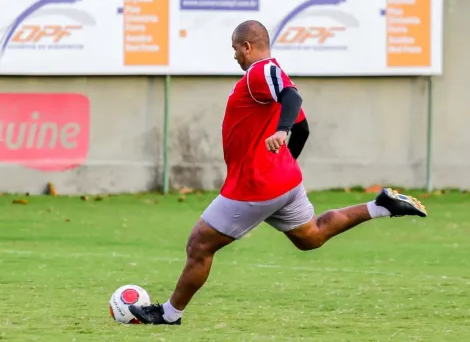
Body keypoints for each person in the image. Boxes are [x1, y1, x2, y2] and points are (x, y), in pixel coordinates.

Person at [129, 20, 427, 325]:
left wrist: (281, 133)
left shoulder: (261, 71)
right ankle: (379, 206)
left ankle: (169, 314)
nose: (234, 56)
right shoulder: (272, 77)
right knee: (310, 237)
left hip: (255, 186)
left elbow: (293, 99)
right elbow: (304, 127)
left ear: (247, 46)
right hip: (282, 182)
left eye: (235, 49)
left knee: (199, 245)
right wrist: (281, 163)